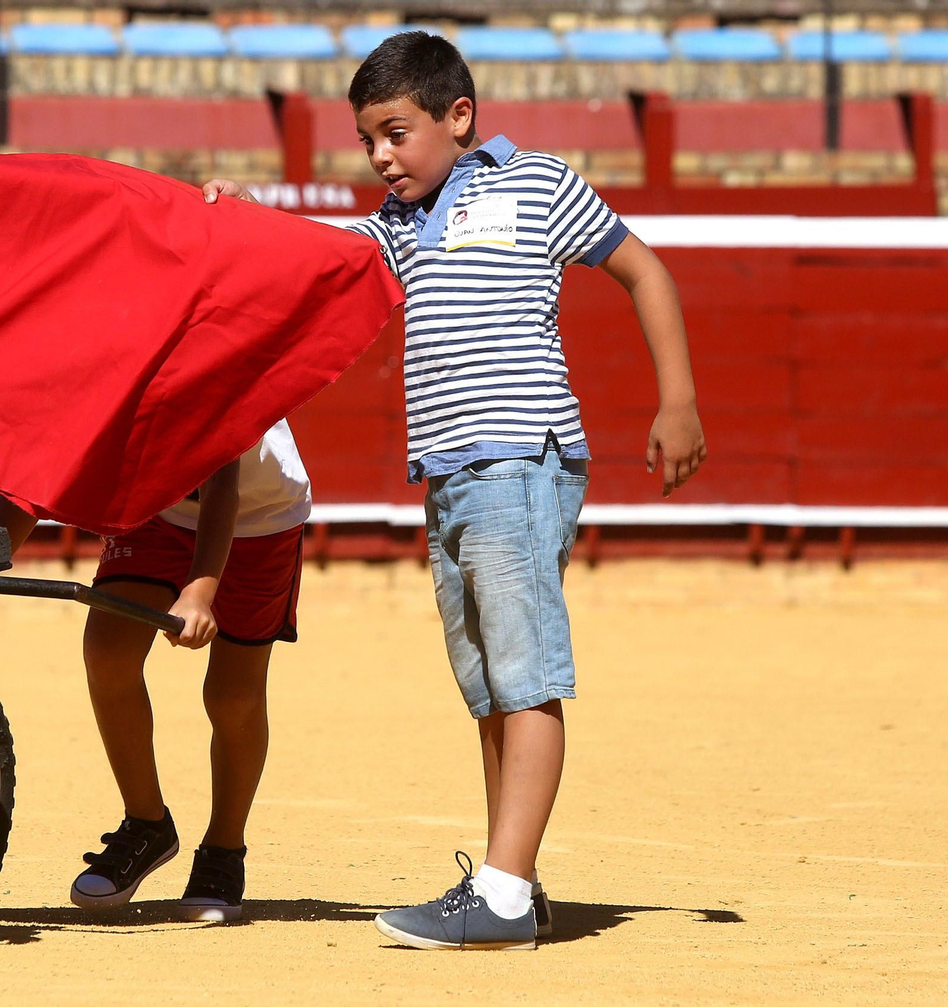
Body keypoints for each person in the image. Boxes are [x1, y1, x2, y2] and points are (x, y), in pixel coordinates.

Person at [201, 31, 707, 950]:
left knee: (526, 682)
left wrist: (678, 399)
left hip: (520, 455)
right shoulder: (395, 227)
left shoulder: (537, 183)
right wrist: (243, 209)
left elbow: (645, 269)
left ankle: (505, 894)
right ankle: (517, 880)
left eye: (395, 133)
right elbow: (310, 248)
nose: (381, 156)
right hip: (448, 475)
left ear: (458, 117)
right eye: (367, 142)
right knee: (489, 691)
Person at [0, 419, 311, 922]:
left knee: (232, 696)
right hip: (159, 505)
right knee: (108, 649)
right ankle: (147, 823)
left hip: (259, 516)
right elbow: (46, 456)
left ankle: (224, 850)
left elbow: (223, 481)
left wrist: (200, 592)